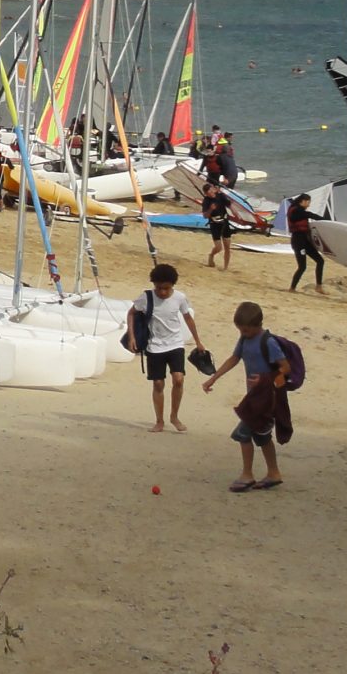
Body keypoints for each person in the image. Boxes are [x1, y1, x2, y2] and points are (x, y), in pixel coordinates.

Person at [202, 301, 290, 491]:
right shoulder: (244, 339)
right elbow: (234, 358)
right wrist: (214, 378)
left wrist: (264, 379)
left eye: (246, 330)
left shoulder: (268, 342)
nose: (243, 333)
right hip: (254, 397)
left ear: (258, 325)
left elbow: (285, 368)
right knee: (262, 435)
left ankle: (247, 475)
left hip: (266, 398)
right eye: (241, 330)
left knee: (242, 433)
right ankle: (274, 473)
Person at [123, 261, 207, 433]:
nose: (162, 292)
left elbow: (188, 318)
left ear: (173, 285)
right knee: (158, 384)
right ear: (154, 284)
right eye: (159, 288)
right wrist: (131, 336)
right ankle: (159, 421)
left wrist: (198, 341)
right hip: (154, 346)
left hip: (176, 344)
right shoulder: (146, 297)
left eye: (166, 288)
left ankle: (174, 416)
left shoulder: (180, 298)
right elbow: (131, 313)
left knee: (179, 379)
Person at [285, 192, 325, 295]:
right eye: (308, 202)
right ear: (302, 201)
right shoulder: (295, 211)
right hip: (298, 241)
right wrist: (325, 220)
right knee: (302, 267)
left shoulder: (299, 210)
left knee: (320, 261)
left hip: (305, 241)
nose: (309, 205)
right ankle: (292, 288)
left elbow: (307, 215)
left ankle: (319, 286)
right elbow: (308, 215)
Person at [202, 180, 234, 271]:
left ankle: (225, 267)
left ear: (213, 189)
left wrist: (236, 214)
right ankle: (211, 255)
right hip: (214, 224)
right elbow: (205, 216)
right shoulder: (206, 201)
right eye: (208, 192)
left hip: (224, 222)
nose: (211, 193)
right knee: (219, 247)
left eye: (211, 190)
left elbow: (229, 205)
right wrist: (211, 209)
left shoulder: (220, 196)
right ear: (206, 194)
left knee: (227, 246)